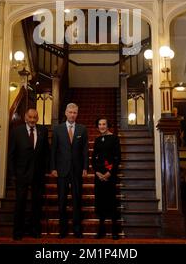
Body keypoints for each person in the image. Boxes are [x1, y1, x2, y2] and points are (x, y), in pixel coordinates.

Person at [8, 108, 49, 240]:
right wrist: (13, 174)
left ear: (37, 118)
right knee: (20, 203)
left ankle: (35, 230)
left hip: (38, 174)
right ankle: (18, 232)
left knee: (37, 203)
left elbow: (46, 152)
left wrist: (46, 170)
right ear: (25, 117)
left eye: (34, 117)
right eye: (30, 117)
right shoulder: (16, 131)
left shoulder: (43, 130)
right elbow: (11, 155)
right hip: (21, 173)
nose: (32, 120)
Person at [50, 102, 89, 238]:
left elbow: (85, 151)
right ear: (66, 113)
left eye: (75, 113)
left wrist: (85, 167)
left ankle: (77, 229)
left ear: (77, 114)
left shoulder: (82, 129)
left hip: (77, 171)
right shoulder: (57, 129)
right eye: (70, 112)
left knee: (77, 201)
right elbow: (53, 150)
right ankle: (63, 230)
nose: (72, 115)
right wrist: (53, 168)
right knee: (62, 201)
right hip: (61, 170)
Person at [92, 118, 121, 240]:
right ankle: (101, 230)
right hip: (99, 176)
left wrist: (109, 173)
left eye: (104, 124)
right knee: (100, 202)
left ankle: (115, 230)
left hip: (110, 175)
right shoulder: (97, 139)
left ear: (108, 125)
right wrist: (97, 172)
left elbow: (117, 157)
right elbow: (93, 158)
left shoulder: (114, 138)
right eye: (99, 124)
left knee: (111, 202)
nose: (102, 126)